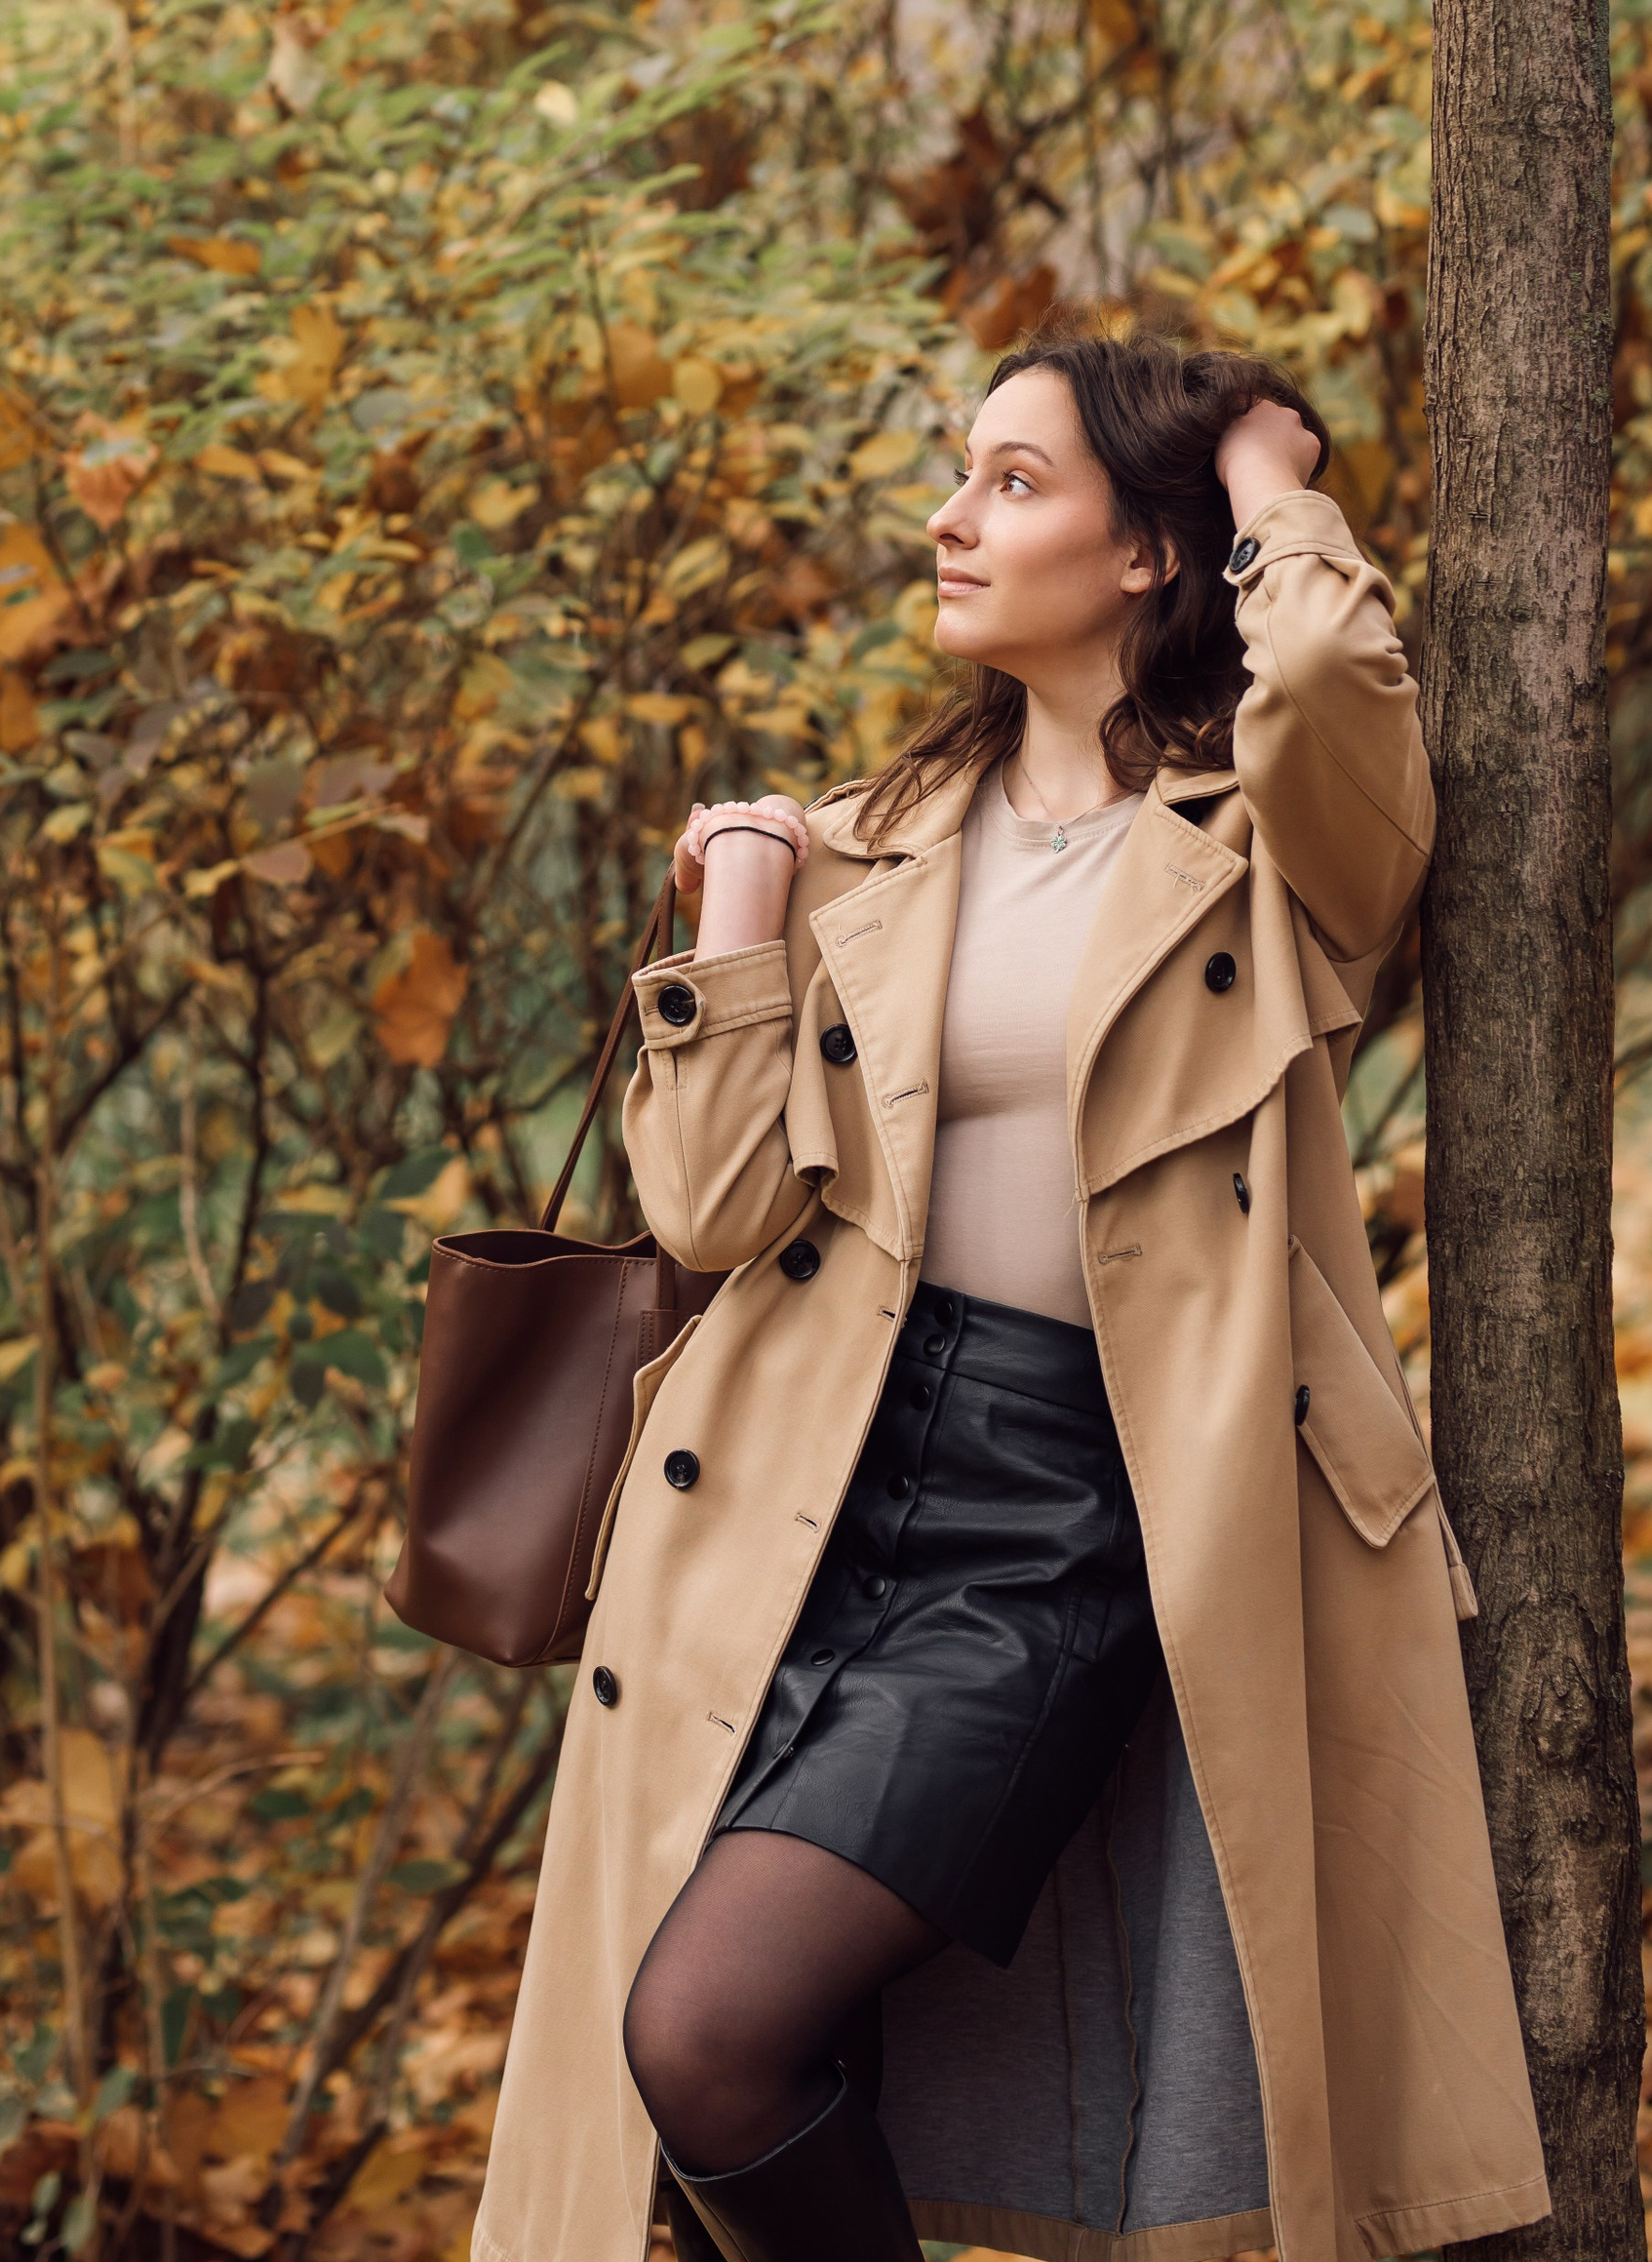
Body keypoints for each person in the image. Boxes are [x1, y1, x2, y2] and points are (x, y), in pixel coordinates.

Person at [471, 326, 1546, 2262]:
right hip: (805, 1496)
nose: (948, 518)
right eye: (959, 474)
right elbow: (710, 1212)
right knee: (760, 2050)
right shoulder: (869, 841)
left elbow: (1314, 665)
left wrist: (1262, 466)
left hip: (1065, 1515)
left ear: (1147, 551)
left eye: (1010, 481)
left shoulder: (1264, 837)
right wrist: (735, 919)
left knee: (706, 2026)